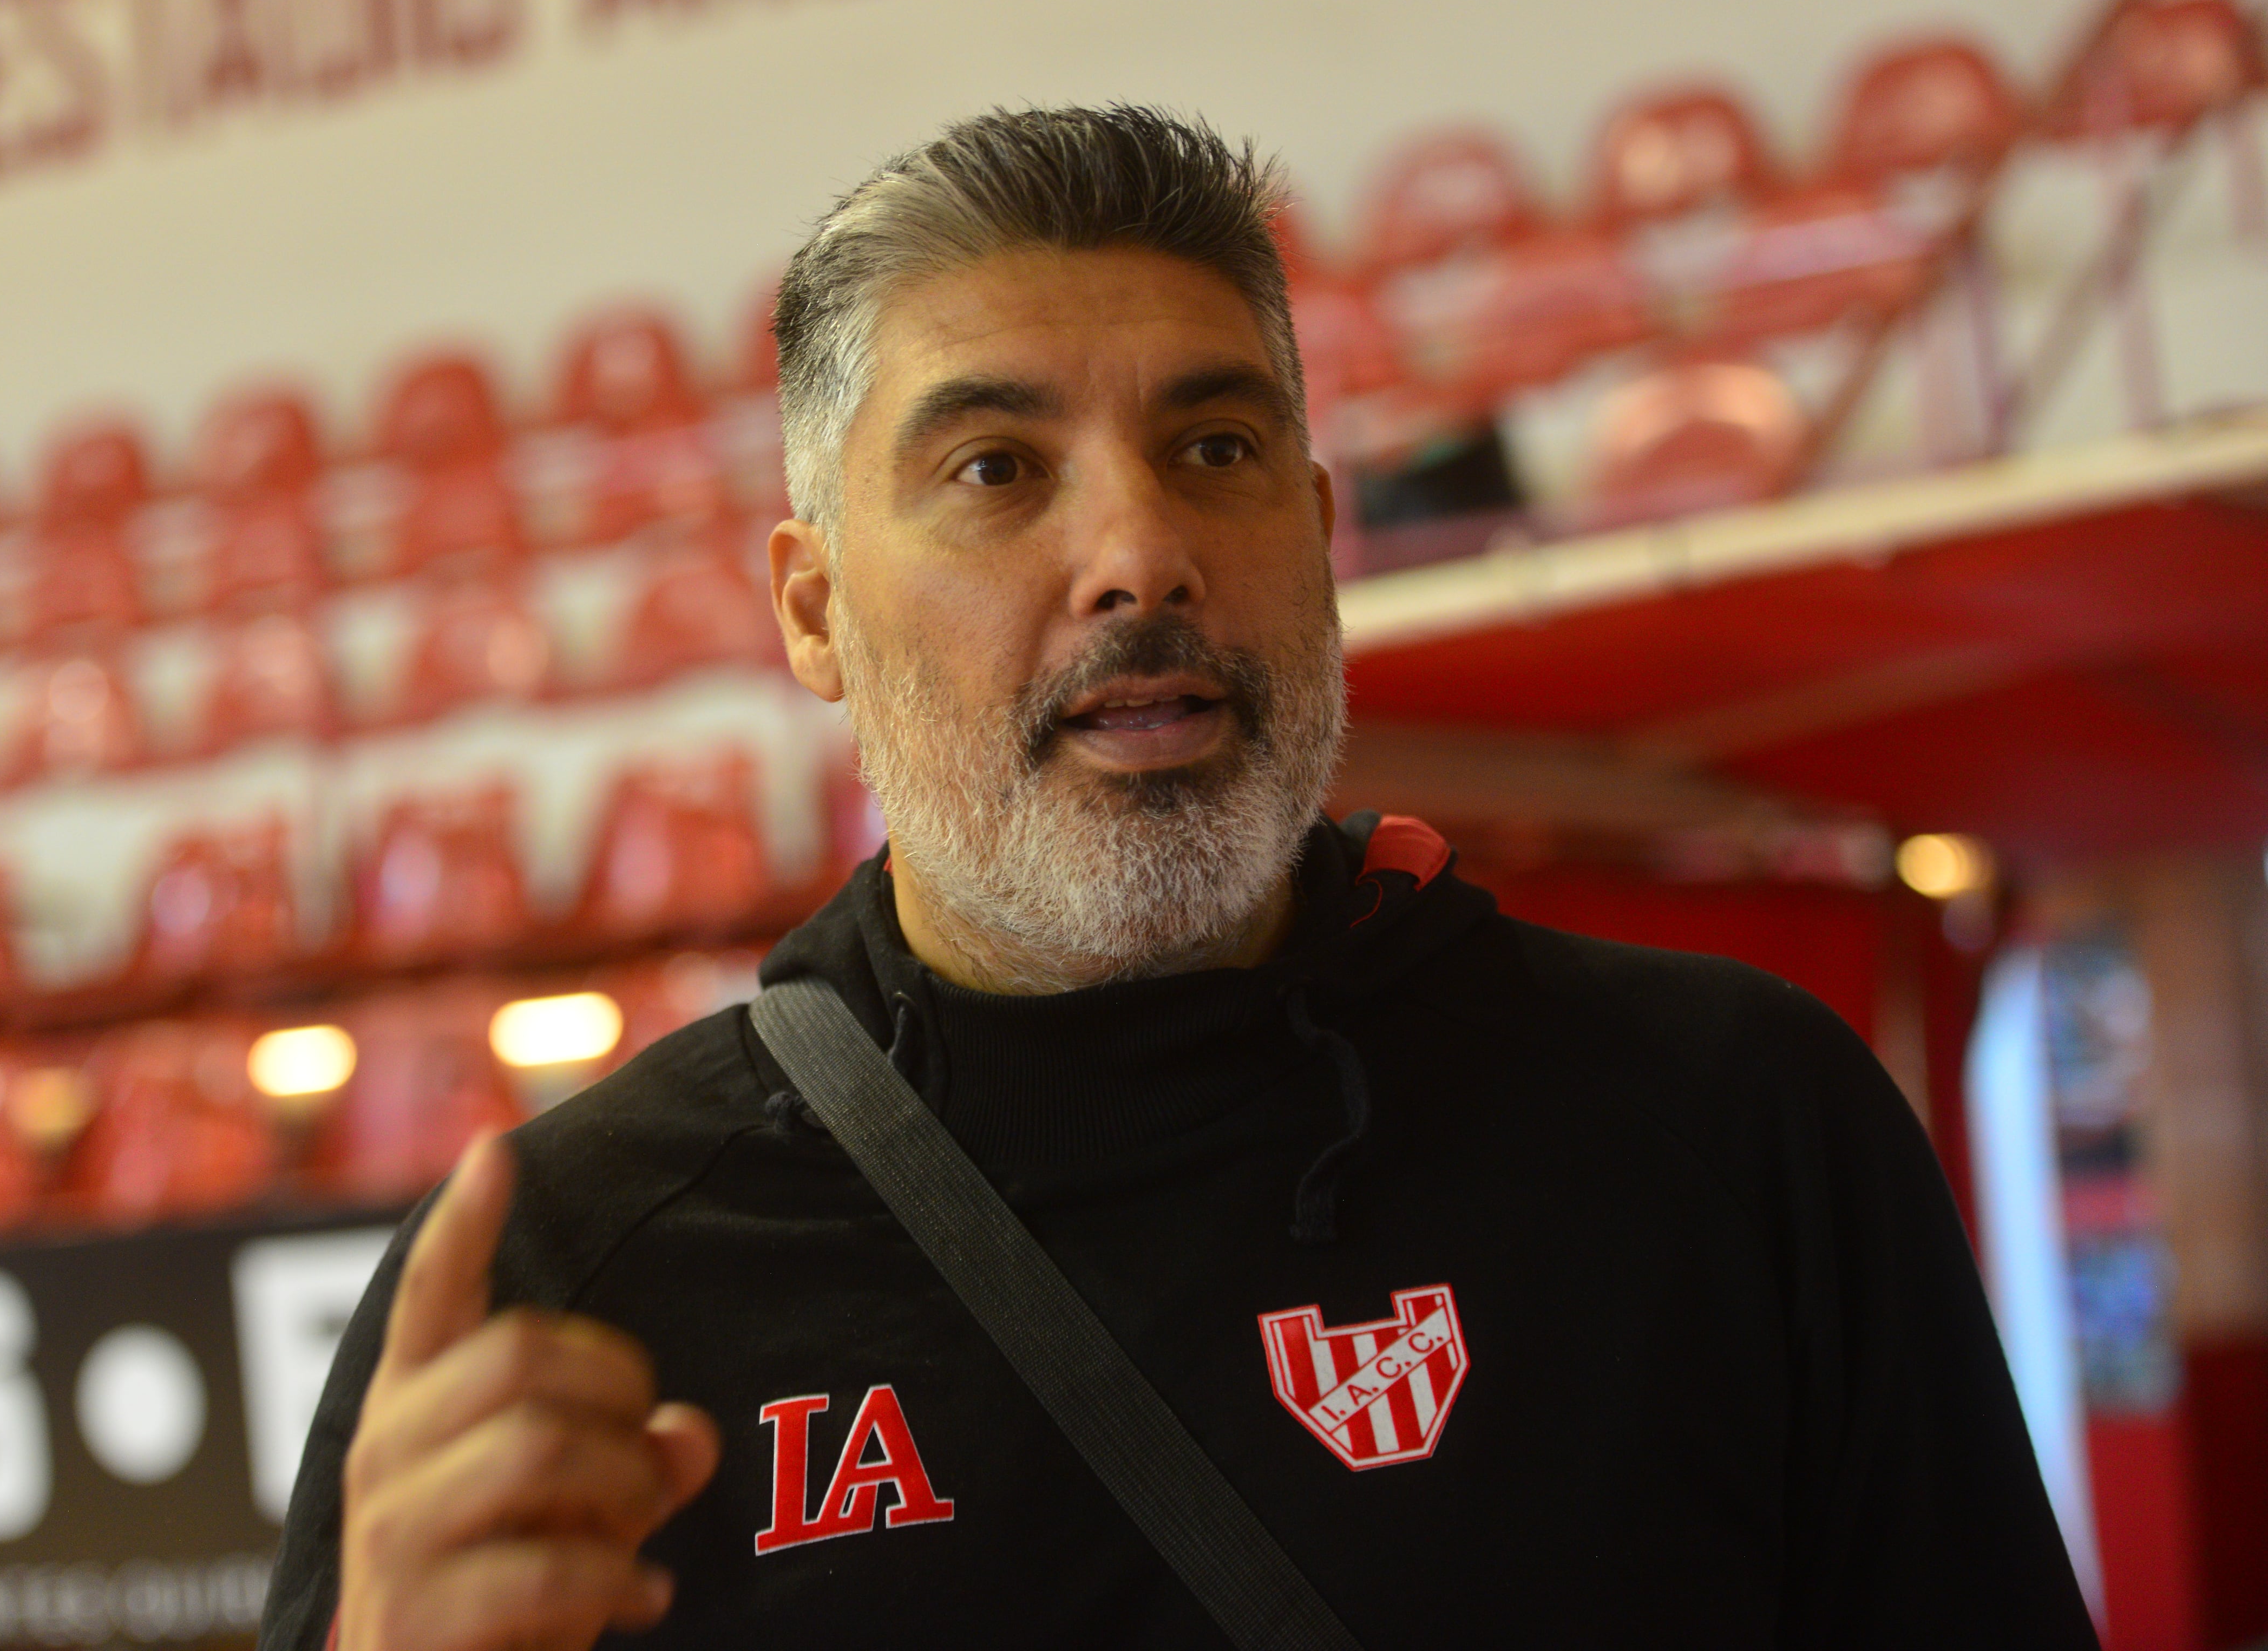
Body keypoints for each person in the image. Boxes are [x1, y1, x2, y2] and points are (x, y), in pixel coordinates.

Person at [261, 107, 2095, 1650]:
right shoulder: (577, 1280)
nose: (1139, 552)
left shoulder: (1739, 1124)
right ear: (815, 608)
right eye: (997, 469)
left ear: (1312, 531)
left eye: (1214, 451)